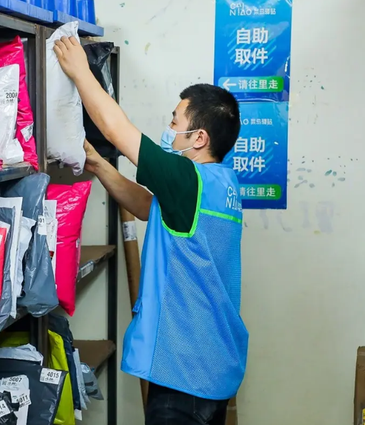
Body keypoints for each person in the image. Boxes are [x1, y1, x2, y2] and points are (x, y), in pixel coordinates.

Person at [54, 36, 249, 425]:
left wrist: (79, 70)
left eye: (175, 121)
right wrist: (99, 165)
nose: (169, 128)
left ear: (199, 138)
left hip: (184, 373)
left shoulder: (186, 179)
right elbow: (149, 208)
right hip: (213, 365)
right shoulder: (220, 184)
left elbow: (116, 129)